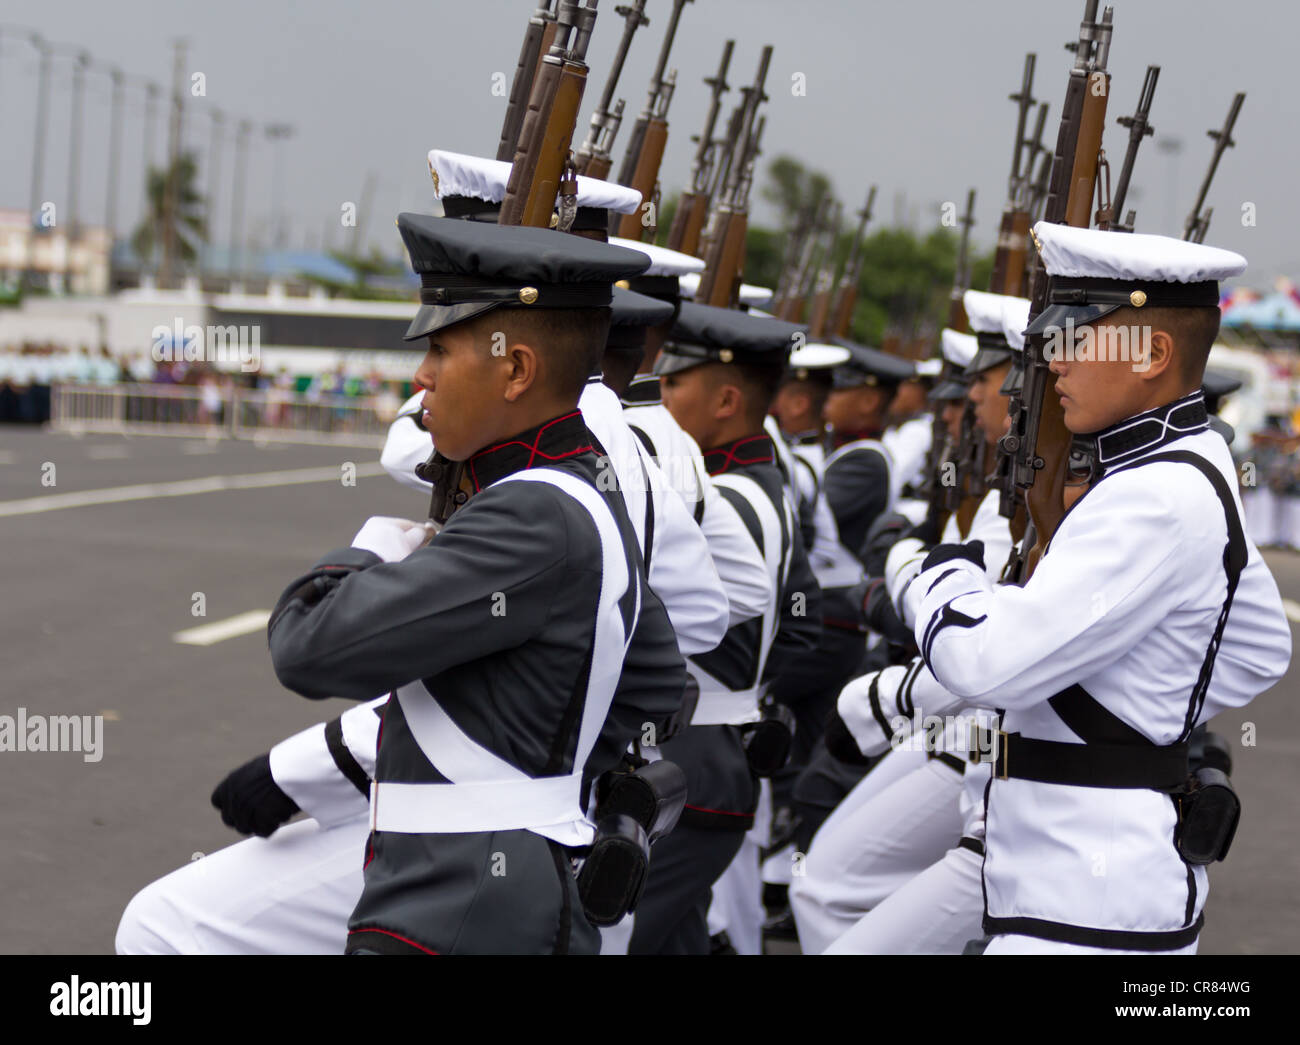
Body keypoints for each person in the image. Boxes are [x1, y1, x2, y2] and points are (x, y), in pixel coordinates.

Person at [264, 214, 688, 955]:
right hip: (503, 882)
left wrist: (367, 552)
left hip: (457, 903)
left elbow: (307, 646)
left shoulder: (531, 511)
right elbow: (657, 682)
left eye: (438, 348)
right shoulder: (584, 487)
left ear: (517, 369)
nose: (421, 377)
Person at [904, 223, 1291, 954]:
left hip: (1086, 903)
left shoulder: (1153, 496)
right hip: (1081, 890)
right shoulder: (1183, 464)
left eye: (1077, 341)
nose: (1054, 365)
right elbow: (1259, 645)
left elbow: (987, 663)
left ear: (1151, 353)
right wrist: (1148, 692)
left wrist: (941, 576)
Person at [622, 301, 823, 954]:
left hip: (694, 751)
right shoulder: (764, 485)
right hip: (718, 751)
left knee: (620, 940)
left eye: (675, 383)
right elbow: (801, 625)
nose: (661, 395)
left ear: (727, 399)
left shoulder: (727, 496)